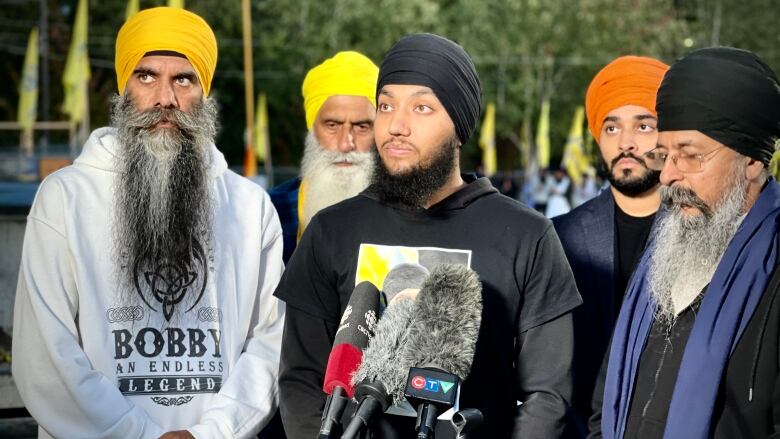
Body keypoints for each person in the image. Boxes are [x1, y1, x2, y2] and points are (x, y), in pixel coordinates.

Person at [274, 33, 582, 438]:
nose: (397, 126)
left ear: (459, 127)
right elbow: (299, 378)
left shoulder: (528, 236)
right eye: (385, 105)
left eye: (421, 107)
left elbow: (547, 395)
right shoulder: (331, 229)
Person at [11, 7, 285, 438]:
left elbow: (272, 341)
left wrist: (212, 433)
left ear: (204, 93)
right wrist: (137, 434)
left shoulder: (250, 207)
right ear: (124, 89)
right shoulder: (65, 198)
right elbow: (46, 354)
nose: (165, 99)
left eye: (184, 79)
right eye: (146, 76)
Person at [591, 47, 780, 439]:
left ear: (751, 162)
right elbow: (603, 405)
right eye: (665, 155)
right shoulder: (663, 252)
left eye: (689, 155)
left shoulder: (772, 268)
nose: (668, 176)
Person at [552, 55, 669, 438]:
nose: (627, 143)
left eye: (644, 125)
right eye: (612, 127)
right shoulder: (559, 238)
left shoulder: (705, 236)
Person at [269, 51, 378, 263]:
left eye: (362, 126)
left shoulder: (407, 213)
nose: (346, 144)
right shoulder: (269, 211)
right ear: (312, 129)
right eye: (332, 125)